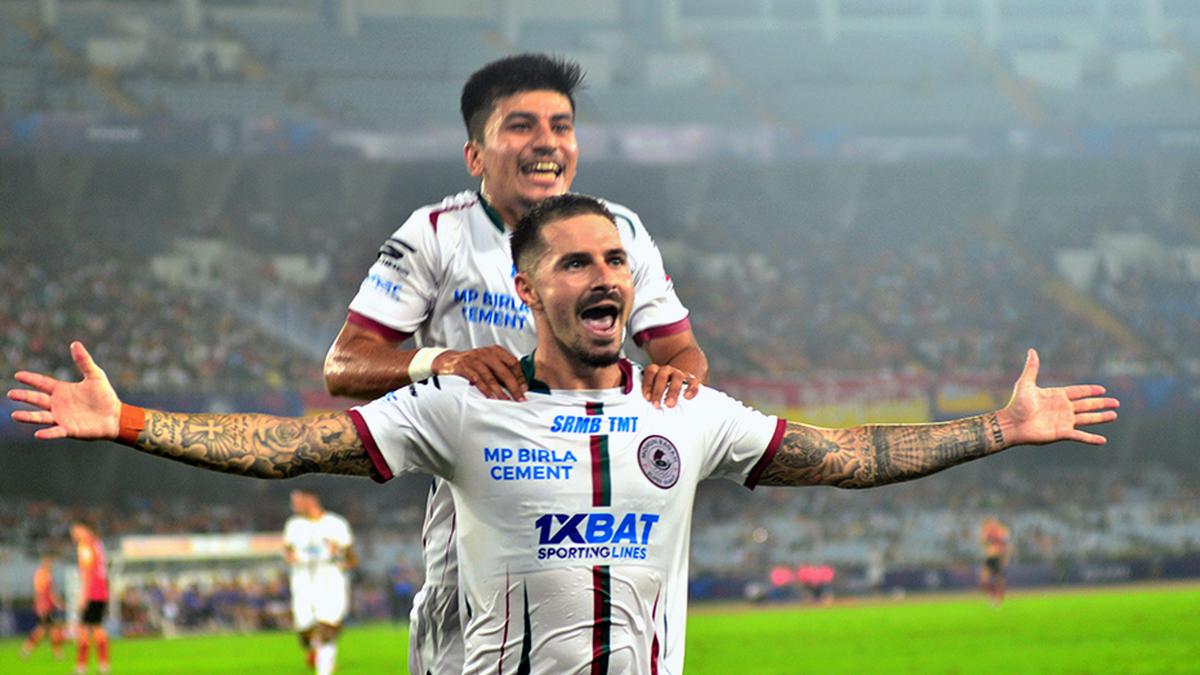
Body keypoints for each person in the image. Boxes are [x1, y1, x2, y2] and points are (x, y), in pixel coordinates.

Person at [9, 194, 1120, 673]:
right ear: (528, 290)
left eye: (617, 261)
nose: (604, 276)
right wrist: (129, 421)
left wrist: (1001, 427)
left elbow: (849, 459)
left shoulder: (687, 412)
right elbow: (289, 445)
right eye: (576, 262)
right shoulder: (462, 404)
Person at [323, 53, 707, 675]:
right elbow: (345, 364)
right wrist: (445, 361)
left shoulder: (618, 231)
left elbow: (681, 353)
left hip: (598, 528)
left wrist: (677, 389)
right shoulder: (436, 234)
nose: (547, 142)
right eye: (522, 126)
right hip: (477, 543)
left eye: (561, 126)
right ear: (476, 155)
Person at [282, 489, 355, 675]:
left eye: (297, 500)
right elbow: (287, 552)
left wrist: (339, 553)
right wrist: (290, 557)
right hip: (302, 581)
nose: (293, 505)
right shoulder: (293, 526)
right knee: (305, 632)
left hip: (330, 579)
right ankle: (315, 647)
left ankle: (324, 670)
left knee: (328, 626)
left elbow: (351, 558)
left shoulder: (335, 524)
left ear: (310, 499)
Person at [70, 521, 110, 674]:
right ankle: (103, 664)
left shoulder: (85, 545)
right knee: (98, 628)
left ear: (84, 529)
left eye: (75, 530)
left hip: (92, 592)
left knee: (84, 630)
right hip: (102, 591)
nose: (73, 534)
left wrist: (83, 595)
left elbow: (87, 571)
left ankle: (81, 666)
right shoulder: (98, 543)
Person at [21, 555, 65, 661]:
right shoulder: (44, 575)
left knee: (48, 629)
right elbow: (45, 592)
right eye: (50, 563)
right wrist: (57, 602)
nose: (51, 566)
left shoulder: (41, 574)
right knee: (44, 629)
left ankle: (28, 649)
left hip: (45, 606)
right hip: (45, 606)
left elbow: (42, 592)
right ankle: (28, 649)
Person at [980, 517, 1012, 606]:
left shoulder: (1002, 531)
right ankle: (993, 597)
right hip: (990, 557)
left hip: (998, 557)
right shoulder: (988, 532)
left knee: (998, 579)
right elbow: (984, 543)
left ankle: (998, 599)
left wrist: (1006, 558)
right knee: (984, 579)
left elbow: (1008, 545)